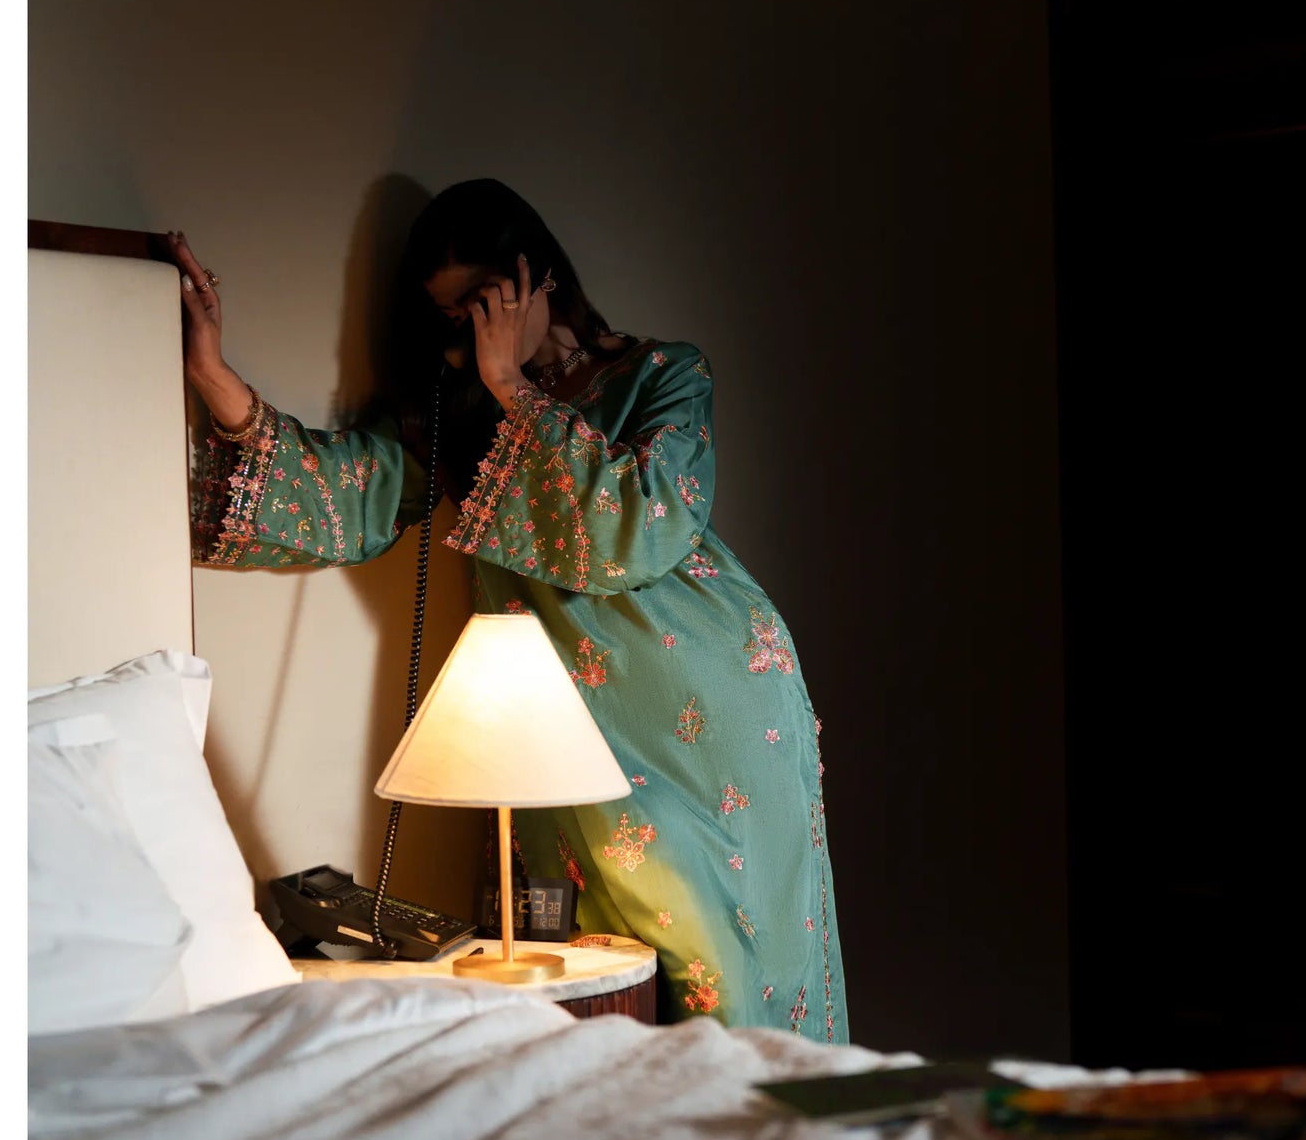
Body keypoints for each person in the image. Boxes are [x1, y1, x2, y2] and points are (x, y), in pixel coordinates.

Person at [174, 180, 847, 1041]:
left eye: (483, 301)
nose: (470, 330)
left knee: (742, 973)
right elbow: (351, 497)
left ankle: (781, 1124)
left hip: (721, 704)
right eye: (450, 315)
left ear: (538, 277)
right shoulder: (458, 416)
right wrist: (214, 376)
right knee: (641, 976)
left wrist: (512, 386)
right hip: (566, 728)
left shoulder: (664, 374)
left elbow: (638, 528)